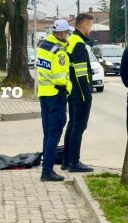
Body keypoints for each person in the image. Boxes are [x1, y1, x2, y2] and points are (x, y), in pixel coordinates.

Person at [36, 19, 74, 182]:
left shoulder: (43, 47)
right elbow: (60, 78)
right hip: (56, 95)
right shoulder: (59, 52)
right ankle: (47, 171)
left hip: (44, 93)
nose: (68, 36)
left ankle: (46, 167)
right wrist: (68, 87)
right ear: (61, 34)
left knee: (47, 133)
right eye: (67, 33)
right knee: (54, 134)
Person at [61, 12, 95, 173]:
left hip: (72, 91)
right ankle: (74, 162)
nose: (91, 29)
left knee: (72, 124)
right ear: (84, 26)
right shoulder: (79, 44)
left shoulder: (71, 41)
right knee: (78, 127)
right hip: (80, 92)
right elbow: (81, 74)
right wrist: (87, 94)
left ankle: (66, 161)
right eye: (91, 26)